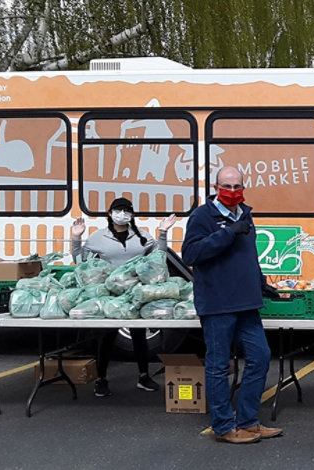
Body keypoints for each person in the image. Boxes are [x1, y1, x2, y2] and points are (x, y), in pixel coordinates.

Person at [182, 166, 282, 444]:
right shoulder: (202, 216)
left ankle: (249, 422)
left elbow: (249, 255)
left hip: (247, 302)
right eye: (227, 186)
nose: (233, 191)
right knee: (218, 366)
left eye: (238, 186)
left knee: (260, 357)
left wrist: (261, 282)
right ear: (215, 187)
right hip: (217, 304)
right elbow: (191, 253)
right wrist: (228, 233)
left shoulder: (245, 214)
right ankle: (224, 426)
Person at [71, 197, 176, 397]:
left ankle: (143, 376)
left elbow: (159, 258)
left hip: (135, 293)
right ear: (109, 214)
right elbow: (80, 261)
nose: (122, 214)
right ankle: (101, 379)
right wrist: (76, 238)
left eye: (126, 210)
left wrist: (163, 233)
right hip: (108, 295)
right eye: (118, 210)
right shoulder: (97, 237)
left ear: (132, 214)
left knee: (139, 335)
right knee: (106, 336)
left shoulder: (142, 236)